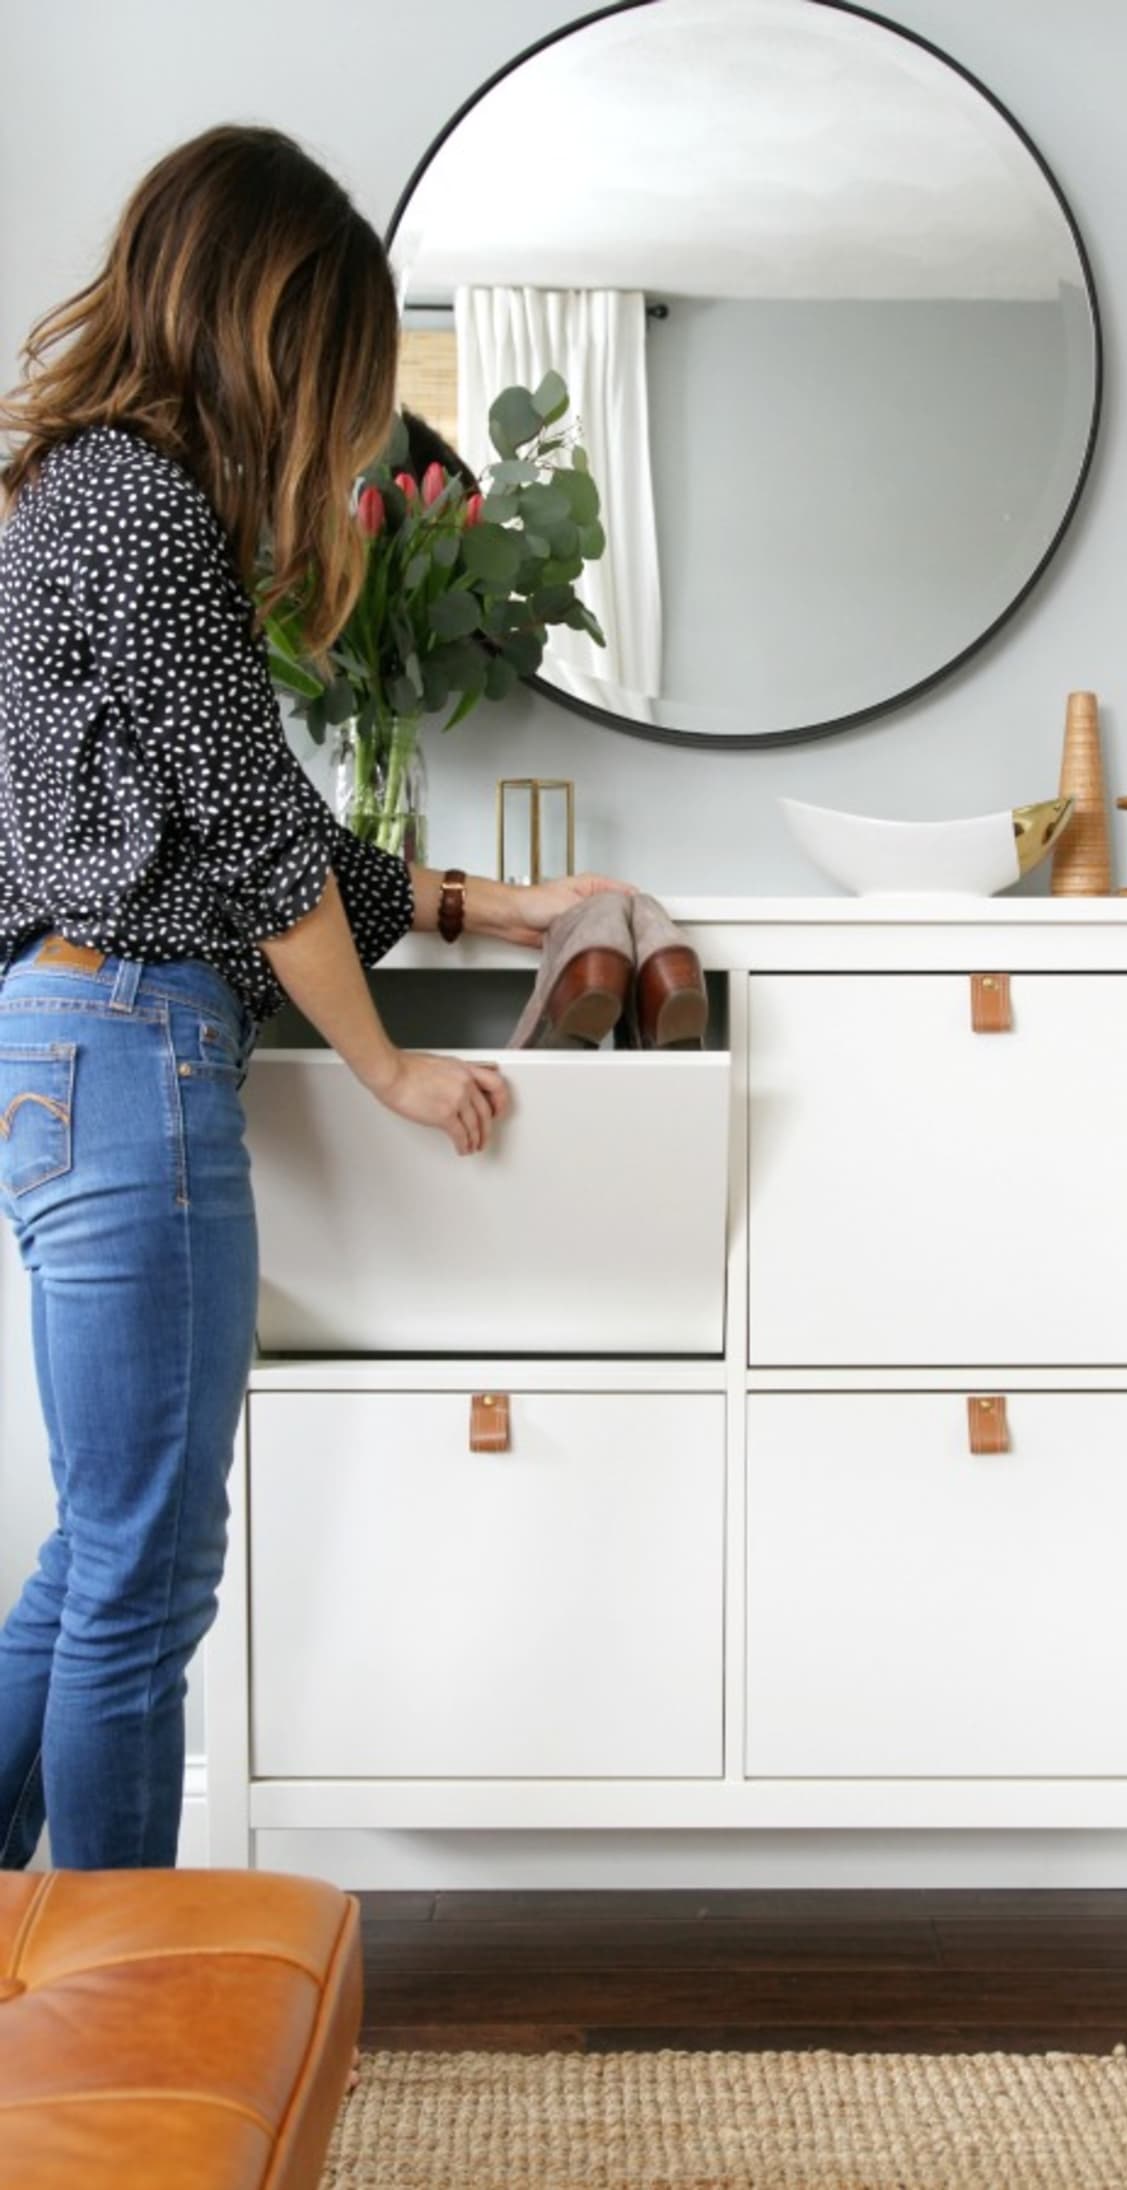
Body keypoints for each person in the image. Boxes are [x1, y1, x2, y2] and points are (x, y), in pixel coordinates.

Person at [0, 124, 630, 1871]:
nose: (340, 418)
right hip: (132, 1043)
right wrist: (386, 1069)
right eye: (339, 368)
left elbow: (229, 822)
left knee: (98, 1549)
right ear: (266, 323)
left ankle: (46, 1970)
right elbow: (265, 830)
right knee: (145, 1569)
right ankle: (124, 2015)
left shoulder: (89, 492)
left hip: (80, 1034)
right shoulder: (135, 506)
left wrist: (461, 899)